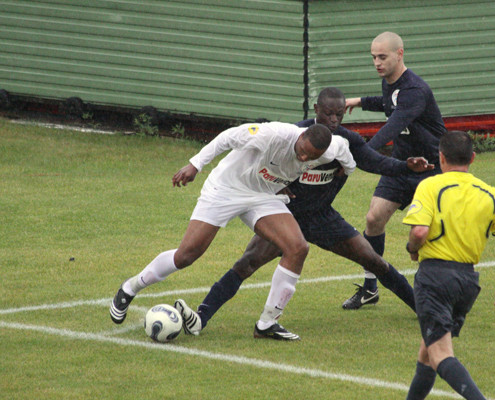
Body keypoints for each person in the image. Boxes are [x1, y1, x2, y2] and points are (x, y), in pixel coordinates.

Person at [173, 87, 434, 340]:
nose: (333, 120)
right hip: (286, 215)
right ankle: (201, 318)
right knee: (247, 264)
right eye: (328, 114)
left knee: (373, 260)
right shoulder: (297, 136)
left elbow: (375, 162)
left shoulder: (345, 142)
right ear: (316, 110)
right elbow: (265, 163)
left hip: (323, 218)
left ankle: (424, 311)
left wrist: (406, 166)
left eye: (339, 114)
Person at [109, 121, 357, 341]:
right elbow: (227, 137)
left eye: (311, 157)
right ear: (300, 137)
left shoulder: (331, 149)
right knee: (186, 255)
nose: (304, 159)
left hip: (261, 197)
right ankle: (129, 288)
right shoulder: (273, 134)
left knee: (298, 248)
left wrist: (345, 169)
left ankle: (267, 323)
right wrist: (195, 164)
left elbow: (347, 157)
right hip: (225, 189)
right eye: (302, 152)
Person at [402, 131, 495, 399]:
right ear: (473, 158)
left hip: (435, 278)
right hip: (467, 282)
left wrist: (411, 249)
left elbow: (419, 232)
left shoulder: (431, 186)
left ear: (441, 157)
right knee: (427, 350)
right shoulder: (489, 193)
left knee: (440, 354)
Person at [343, 31, 447, 309]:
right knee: (374, 219)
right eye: (373, 57)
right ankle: (370, 288)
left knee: (429, 233)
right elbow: (388, 103)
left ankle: (437, 293)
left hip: (430, 169)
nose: (377, 62)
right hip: (401, 164)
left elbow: (393, 123)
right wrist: (360, 101)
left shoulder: (415, 90)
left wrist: (362, 152)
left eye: (382, 57)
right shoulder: (391, 83)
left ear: (400, 54)